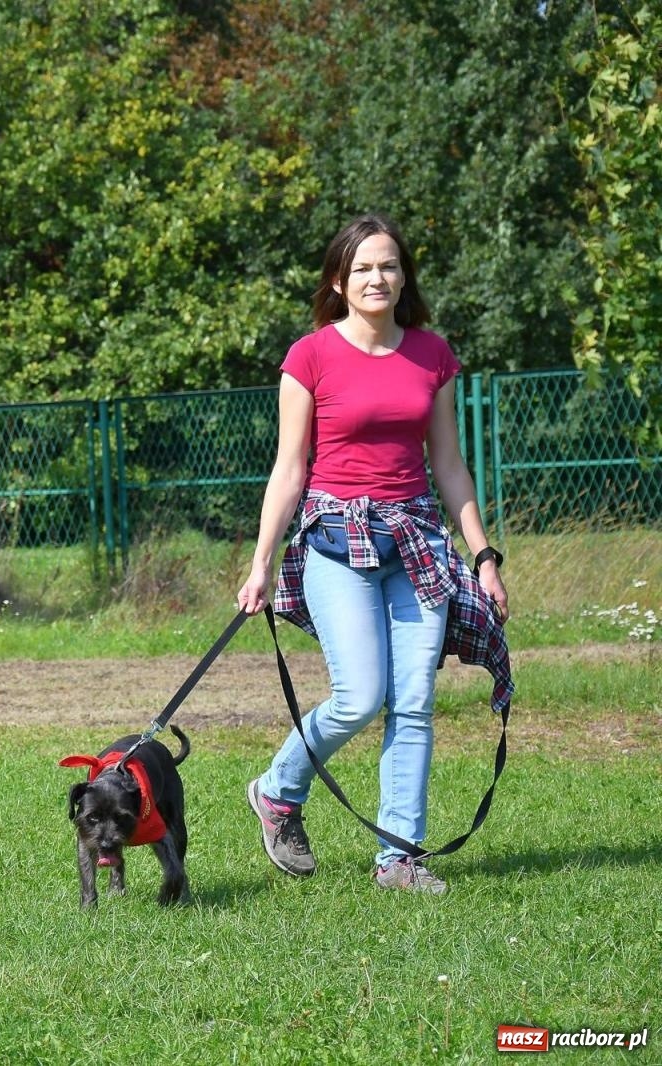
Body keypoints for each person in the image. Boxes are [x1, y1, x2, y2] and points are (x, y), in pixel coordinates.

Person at [236, 213, 512, 894]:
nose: (376, 277)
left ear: (403, 276)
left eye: (388, 265)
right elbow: (289, 469)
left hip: (416, 544)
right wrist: (260, 561)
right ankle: (277, 791)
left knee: (414, 701)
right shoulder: (310, 357)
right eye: (362, 267)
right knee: (361, 697)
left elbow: (449, 466)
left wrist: (483, 556)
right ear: (339, 278)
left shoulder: (432, 355)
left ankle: (398, 858)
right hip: (335, 542)